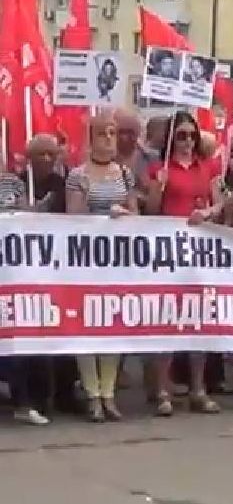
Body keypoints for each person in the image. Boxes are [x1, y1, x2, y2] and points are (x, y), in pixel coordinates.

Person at [143, 110, 222, 417]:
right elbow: (151, 211)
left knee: (198, 321)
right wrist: (156, 188)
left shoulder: (206, 168)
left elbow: (219, 202)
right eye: (182, 136)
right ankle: (162, 389)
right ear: (171, 139)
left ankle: (198, 389)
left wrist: (209, 212)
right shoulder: (159, 168)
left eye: (193, 135)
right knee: (168, 320)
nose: (188, 142)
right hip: (168, 251)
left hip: (199, 251)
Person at [67, 112, 139, 423]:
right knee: (87, 327)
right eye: (102, 134)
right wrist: (93, 206)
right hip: (86, 261)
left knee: (112, 325)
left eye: (113, 133)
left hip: (117, 261)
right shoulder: (78, 175)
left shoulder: (124, 174)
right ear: (91, 138)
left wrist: (124, 215)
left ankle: (109, 393)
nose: (109, 139)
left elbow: (136, 215)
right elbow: (71, 219)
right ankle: (92, 393)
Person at [0, 134, 65, 425]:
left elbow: (24, 216)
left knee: (21, 335)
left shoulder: (13, 182)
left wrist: (32, 210)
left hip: (17, 270)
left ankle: (27, 400)